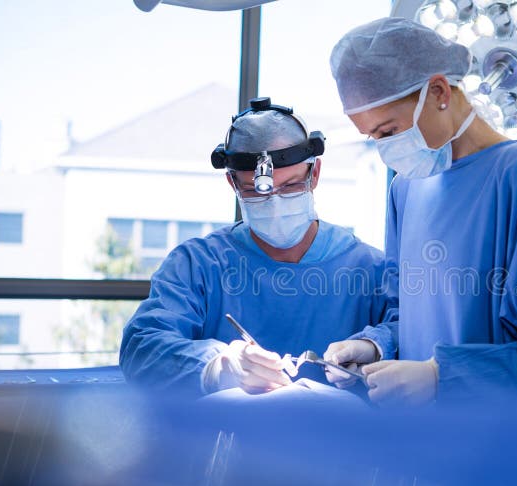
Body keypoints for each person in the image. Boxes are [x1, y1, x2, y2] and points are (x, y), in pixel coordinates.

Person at [324, 17, 517, 408]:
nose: (384, 147)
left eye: (388, 131)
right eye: (372, 137)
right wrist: (376, 346)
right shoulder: (406, 189)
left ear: (439, 91)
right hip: (439, 437)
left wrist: (443, 376)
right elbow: (410, 314)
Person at [120, 97, 387, 397]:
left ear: (314, 174)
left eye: (290, 186)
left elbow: (410, 332)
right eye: (255, 191)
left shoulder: (368, 267)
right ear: (232, 184)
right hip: (226, 429)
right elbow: (142, 347)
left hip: (342, 429)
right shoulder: (198, 265)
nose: (274, 204)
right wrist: (214, 367)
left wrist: (373, 345)